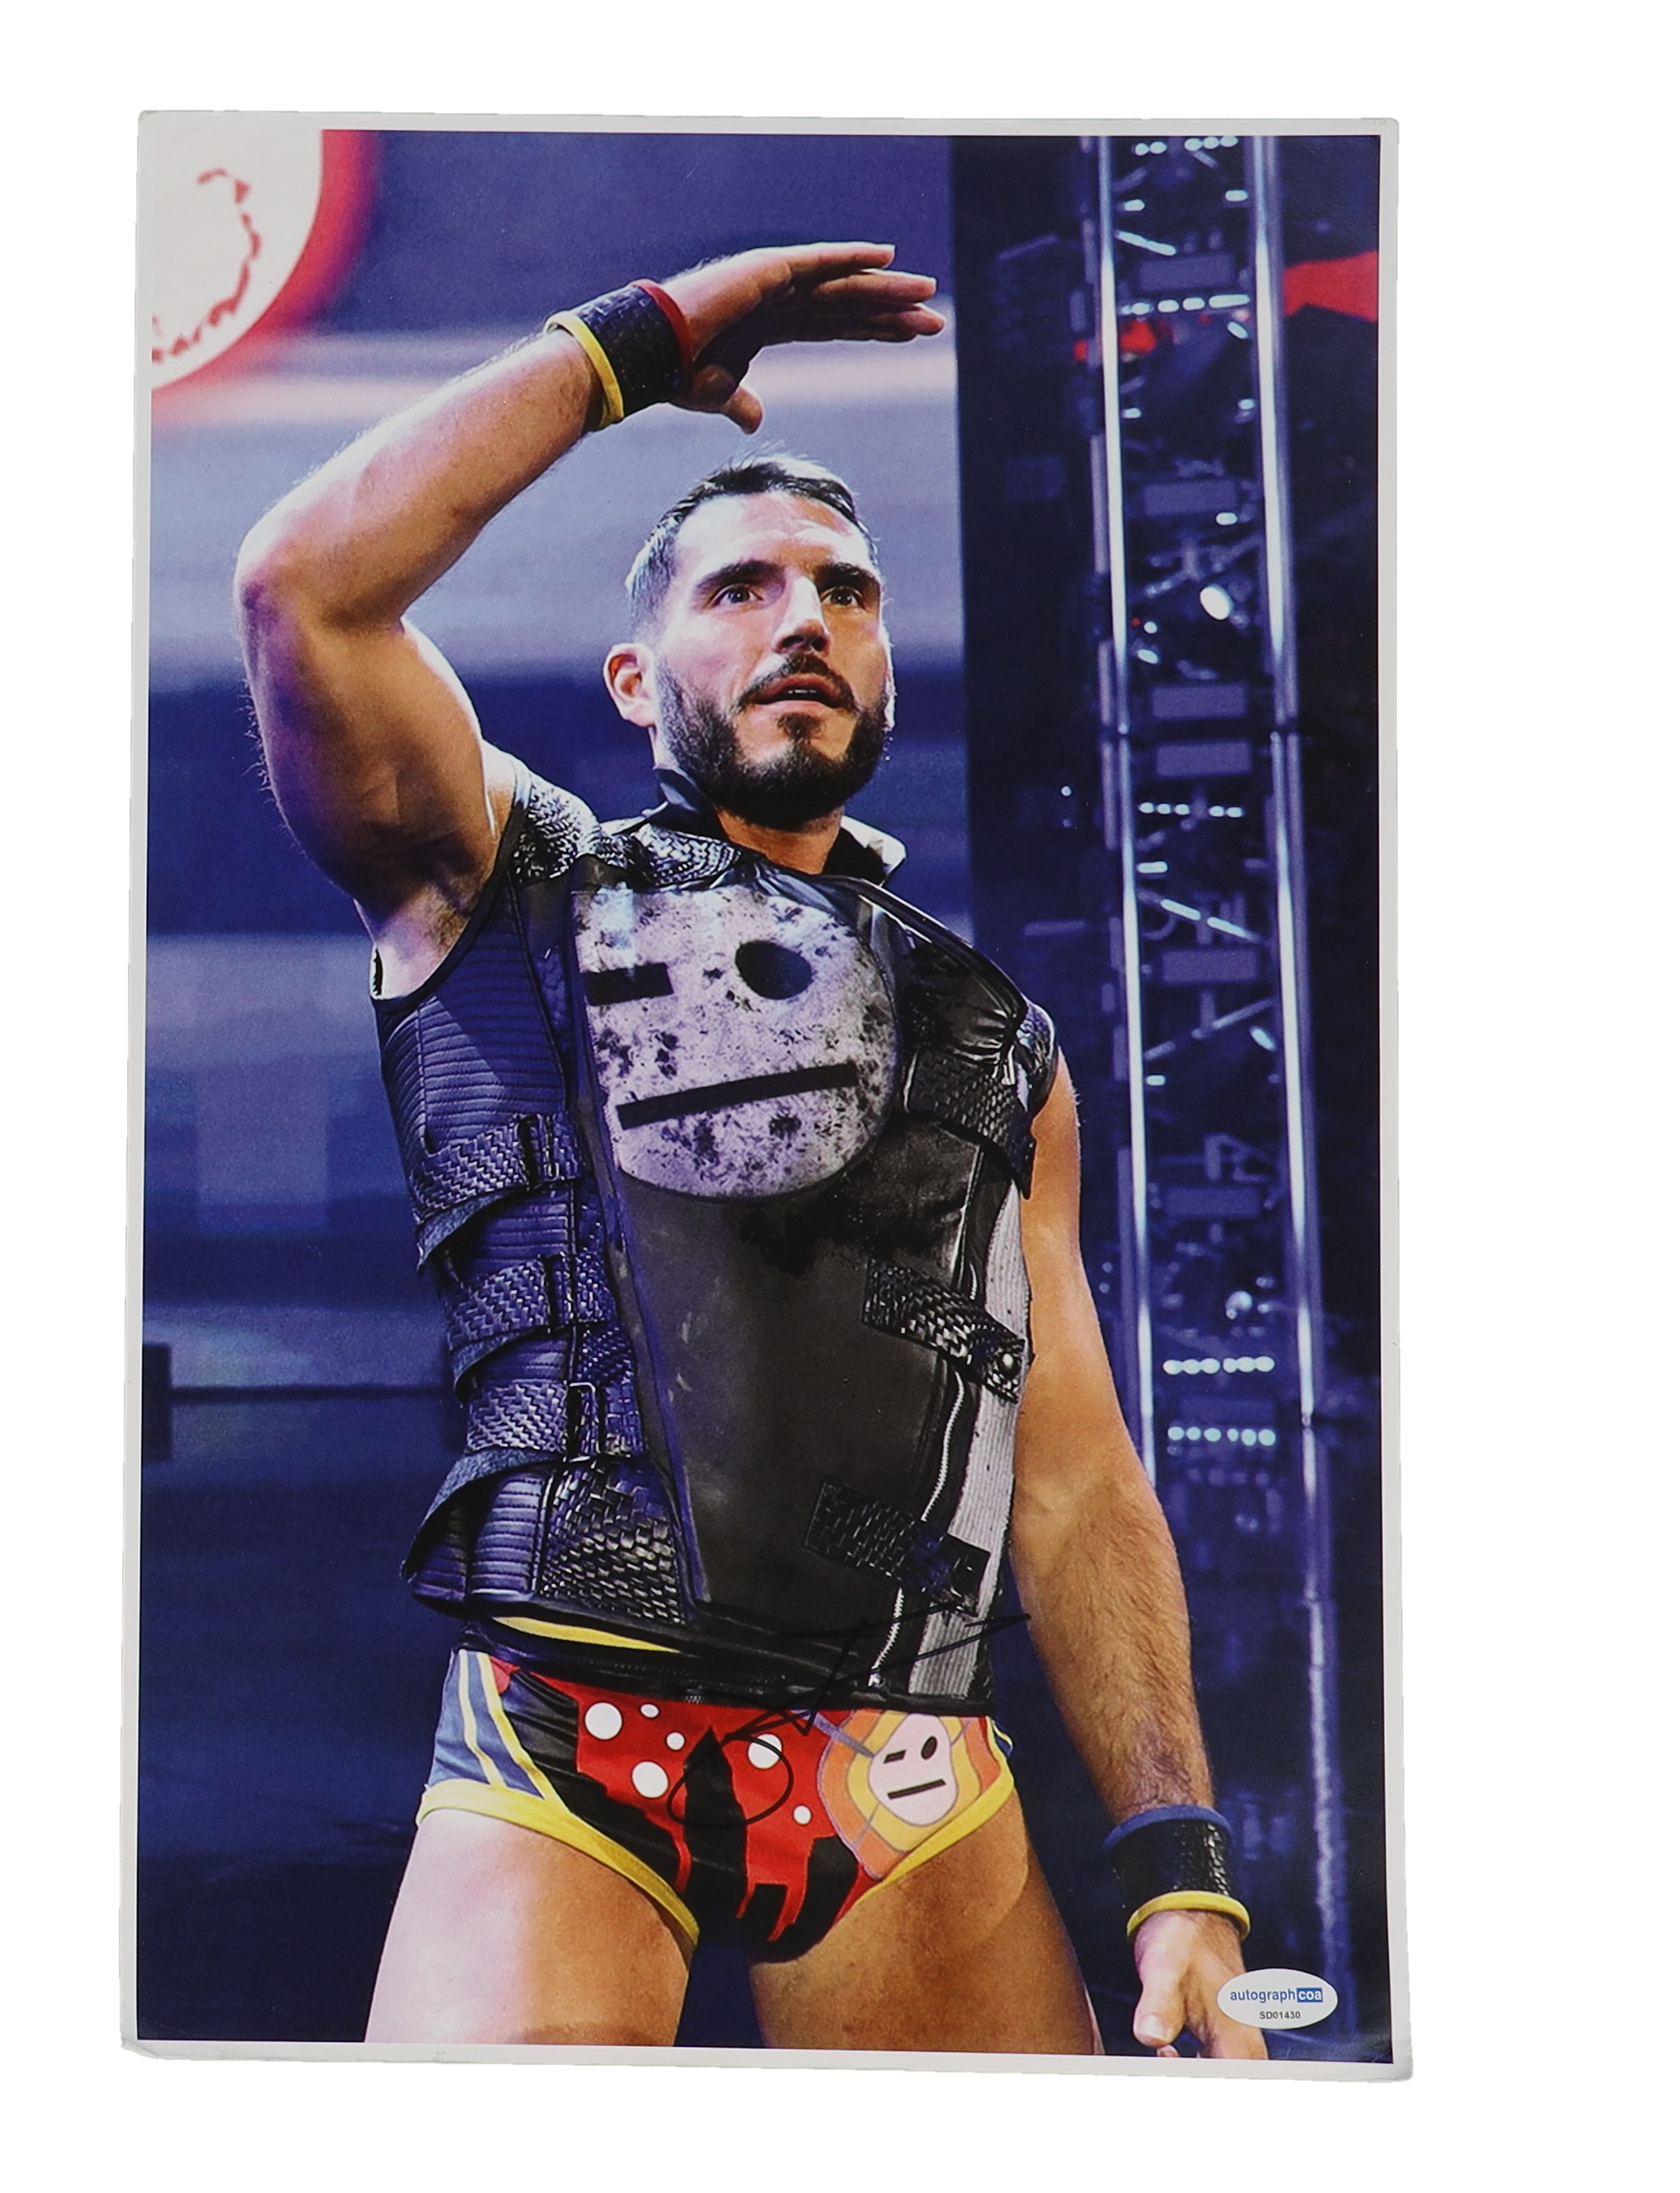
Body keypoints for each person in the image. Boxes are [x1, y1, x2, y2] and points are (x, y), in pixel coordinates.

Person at [235, 242, 1265, 2059]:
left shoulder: (999, 1041)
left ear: (884, 667)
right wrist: (631, 348)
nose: (805, 617)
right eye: (742, 587)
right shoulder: (502, 881)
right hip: (569, 1739)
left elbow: (1075, 1475)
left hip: (904, 1770)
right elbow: (303, 586)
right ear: (636, 681)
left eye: (844, 590)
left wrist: (1177, 1860)